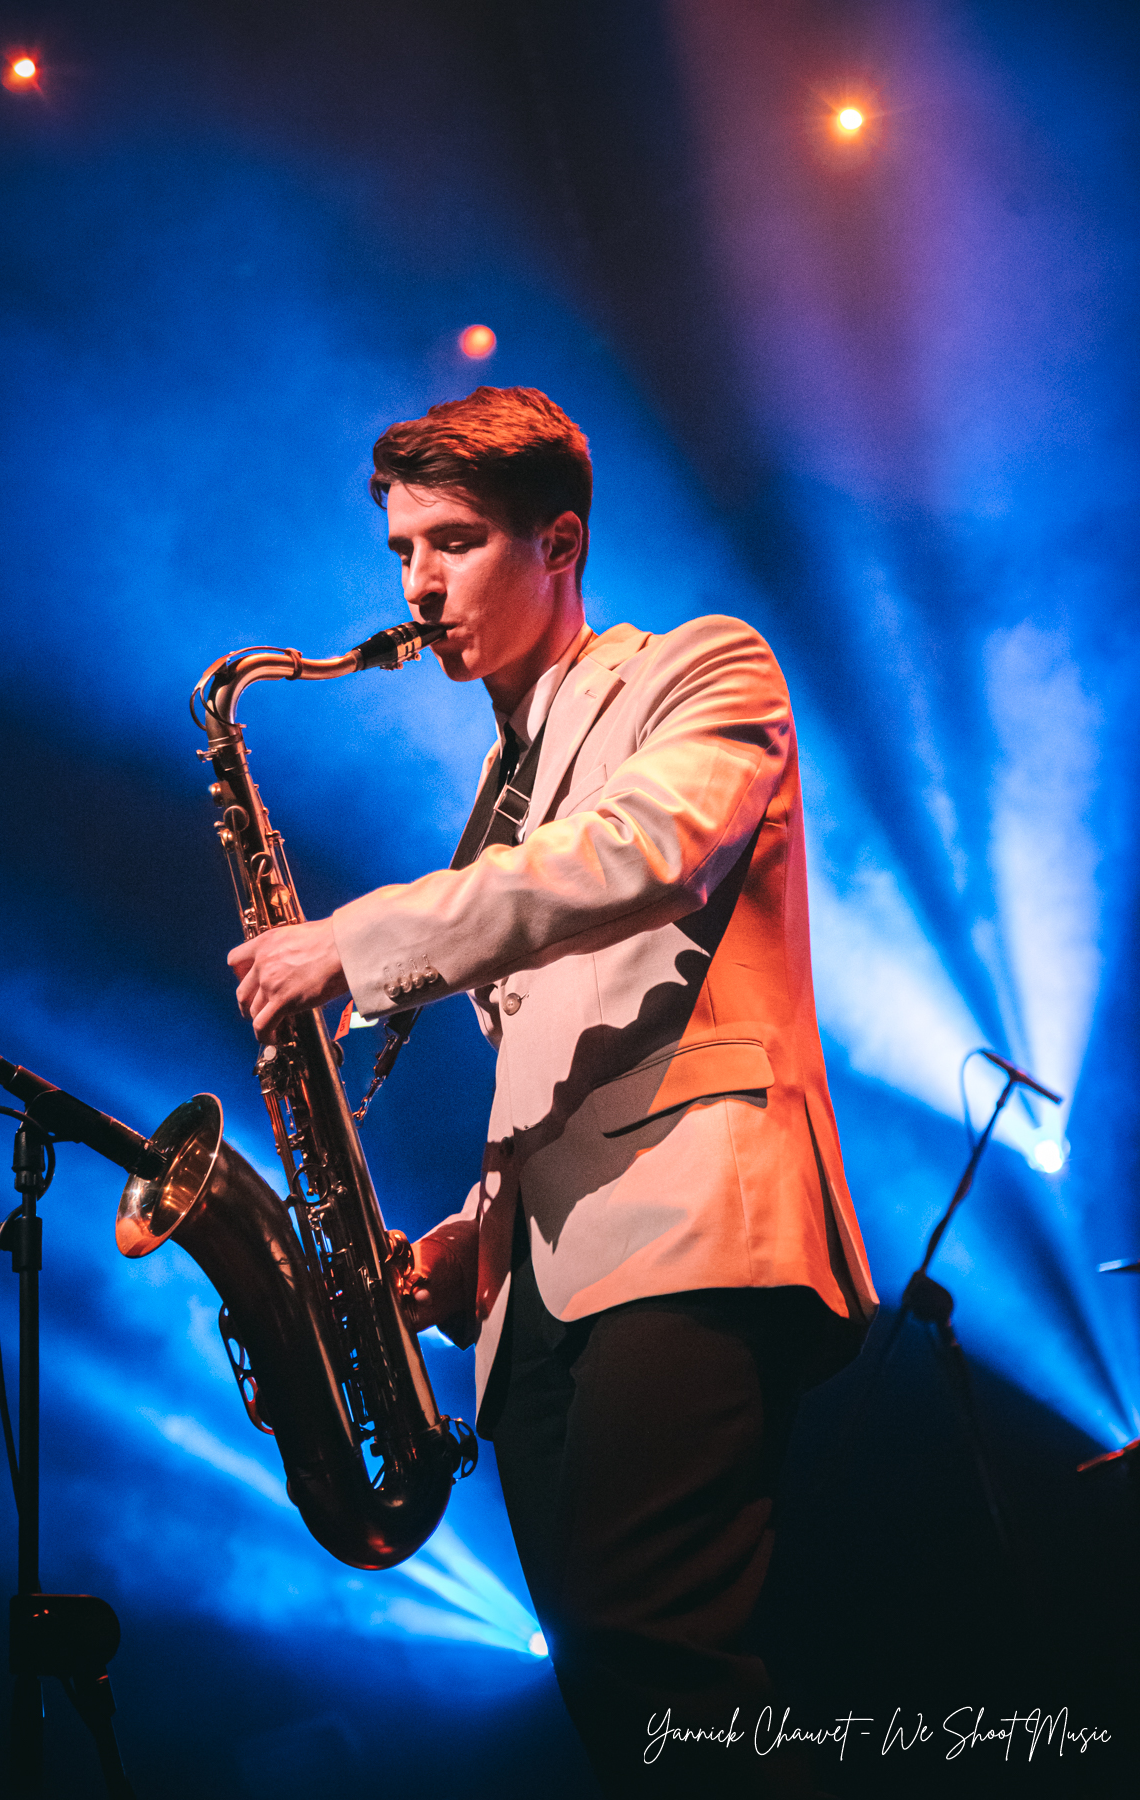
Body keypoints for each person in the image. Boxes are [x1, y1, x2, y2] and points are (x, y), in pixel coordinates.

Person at [230, 386, 878, 1796]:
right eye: (403, 550)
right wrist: (482, 1231)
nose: (416, 587)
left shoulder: (705, 669)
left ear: (561, 543)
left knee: (656, 1652)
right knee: (606, 1674)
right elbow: (573, 1042)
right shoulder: (501, 776)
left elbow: (642, 854)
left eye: (453, 544)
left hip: (695, 1231)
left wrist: (358, 940)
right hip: (542, 1291)